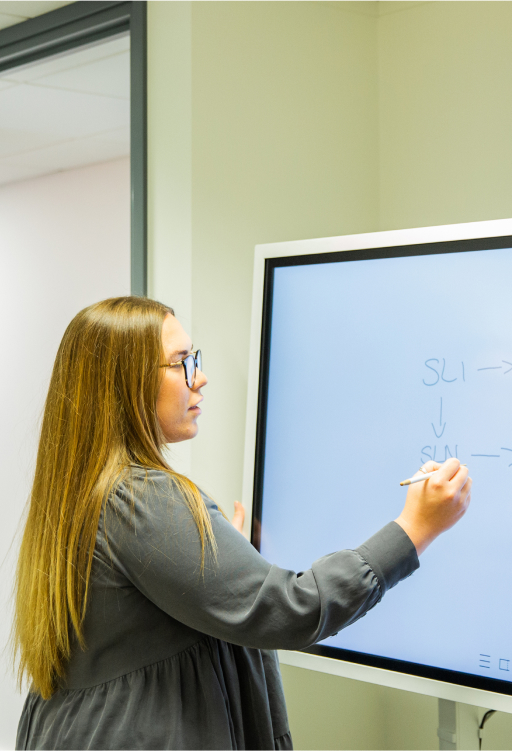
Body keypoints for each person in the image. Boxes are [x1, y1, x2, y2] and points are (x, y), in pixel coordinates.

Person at [13, 296, 472, 751]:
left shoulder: (85, 488)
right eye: (182, 362)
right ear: (126, 382)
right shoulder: (139, 498)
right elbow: (292, 609)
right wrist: (415, 528)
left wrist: (217, 564)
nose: (202, 376)